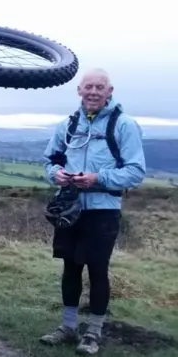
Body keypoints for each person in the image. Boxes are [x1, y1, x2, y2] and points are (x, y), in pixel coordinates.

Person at [40, 68, 146, 355]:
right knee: (70, 268)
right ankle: (68, 327)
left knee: (98, 271)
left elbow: (136, 172)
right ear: (79, 90)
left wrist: (98, 178)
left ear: (109, 92)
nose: (94, 92)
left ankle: (94, 333)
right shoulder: (68, 124)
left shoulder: (124, 125)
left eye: (100, 87)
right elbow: (50, 161)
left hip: (103, 210)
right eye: (89, 86)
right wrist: (57, 174)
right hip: (69, 209)